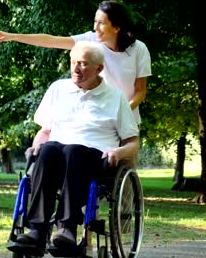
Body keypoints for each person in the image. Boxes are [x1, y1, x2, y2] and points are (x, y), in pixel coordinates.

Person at [16, 41, 139, 251]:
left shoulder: (115, 97)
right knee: (47, 149)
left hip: (92, 157)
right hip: (56, 153)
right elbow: (45, 131)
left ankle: (67, 228)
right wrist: (36, 145)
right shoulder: (58, 88)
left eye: (83, 64)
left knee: (74, 150)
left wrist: (118, 152)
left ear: (99, 68)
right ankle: (37, 230)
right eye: (73, 62)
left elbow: (133, 142)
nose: (75, 69)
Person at [0, 0, 151, 125]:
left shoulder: (139, 49)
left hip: (127, 119)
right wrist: (13, 36)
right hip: (97, 118)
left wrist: (122, 112)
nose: (96, 27)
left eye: (101, 23)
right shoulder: (90, 40)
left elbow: (140, 91)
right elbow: (51, 41)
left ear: (117, 27)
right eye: (95, 21)